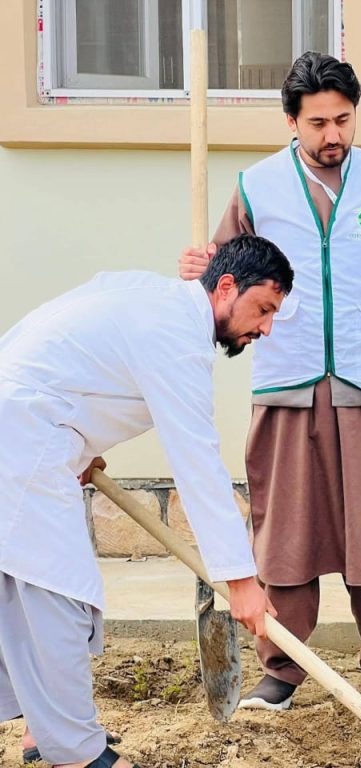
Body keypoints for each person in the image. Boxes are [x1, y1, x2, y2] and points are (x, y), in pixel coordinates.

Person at [178, 52, 361, 712]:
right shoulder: (256, 187)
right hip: (287, 385)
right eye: (319, 122)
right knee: (285, 535)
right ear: (291, 120)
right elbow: (218, 284)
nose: (333, 135)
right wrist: (194, 268)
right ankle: (283, 669)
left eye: (344, 120)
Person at [0, 234, 291, 768]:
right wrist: (241, 581)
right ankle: (76, 754)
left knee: (21, 601)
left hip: (27, 433)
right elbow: (198, 462)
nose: (266, 328)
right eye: (264, 309)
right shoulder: (177, 337)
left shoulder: (144, 293)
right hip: (23, 445)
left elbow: (66, 360)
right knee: (61, 598)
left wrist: (78, 440)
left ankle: (45, 734)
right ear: (226, 287)